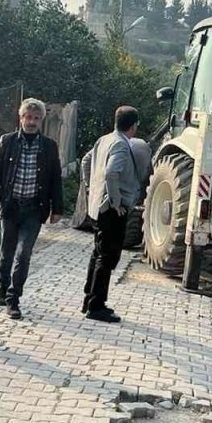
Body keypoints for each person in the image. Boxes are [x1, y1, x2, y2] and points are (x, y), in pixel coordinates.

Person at [0, 98, 63, 320]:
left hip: (34, 208)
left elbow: (55, 178)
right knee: (6, 254)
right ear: (20, 118)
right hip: (10, 207)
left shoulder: (49, 146)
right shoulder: (8, 141)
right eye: (28, 117)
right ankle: (3, 287)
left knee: (24, 254)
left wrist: (57, 208)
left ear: (41, 120)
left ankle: (14, 298)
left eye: (36, 118)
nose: (31, 122)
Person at [82, 106, 142, 322]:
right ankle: (96, 306)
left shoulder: (104, 139)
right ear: (134, 126)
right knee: (108, 256)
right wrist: (116, 202)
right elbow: (111, 172)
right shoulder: (121, 145)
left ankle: (89, 298)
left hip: (98, 206)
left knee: (97, 253)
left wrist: (92, 188)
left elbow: (86, 161)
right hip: (111, 210)